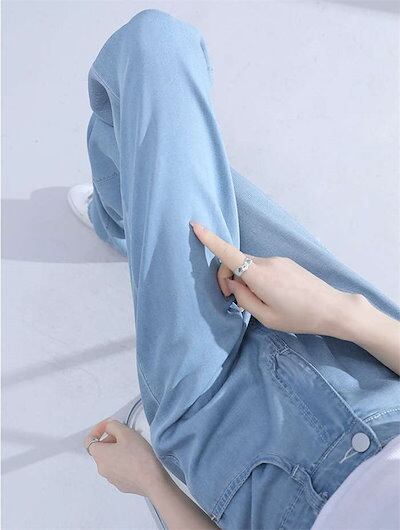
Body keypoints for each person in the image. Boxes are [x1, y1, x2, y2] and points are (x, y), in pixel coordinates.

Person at [69, 9, 400, 529]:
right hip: (359, 357)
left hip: (225, 435)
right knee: (149, 118)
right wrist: (339, 311)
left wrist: (153, 483)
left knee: (153, 48)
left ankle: (123, 214)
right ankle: (121, 215)